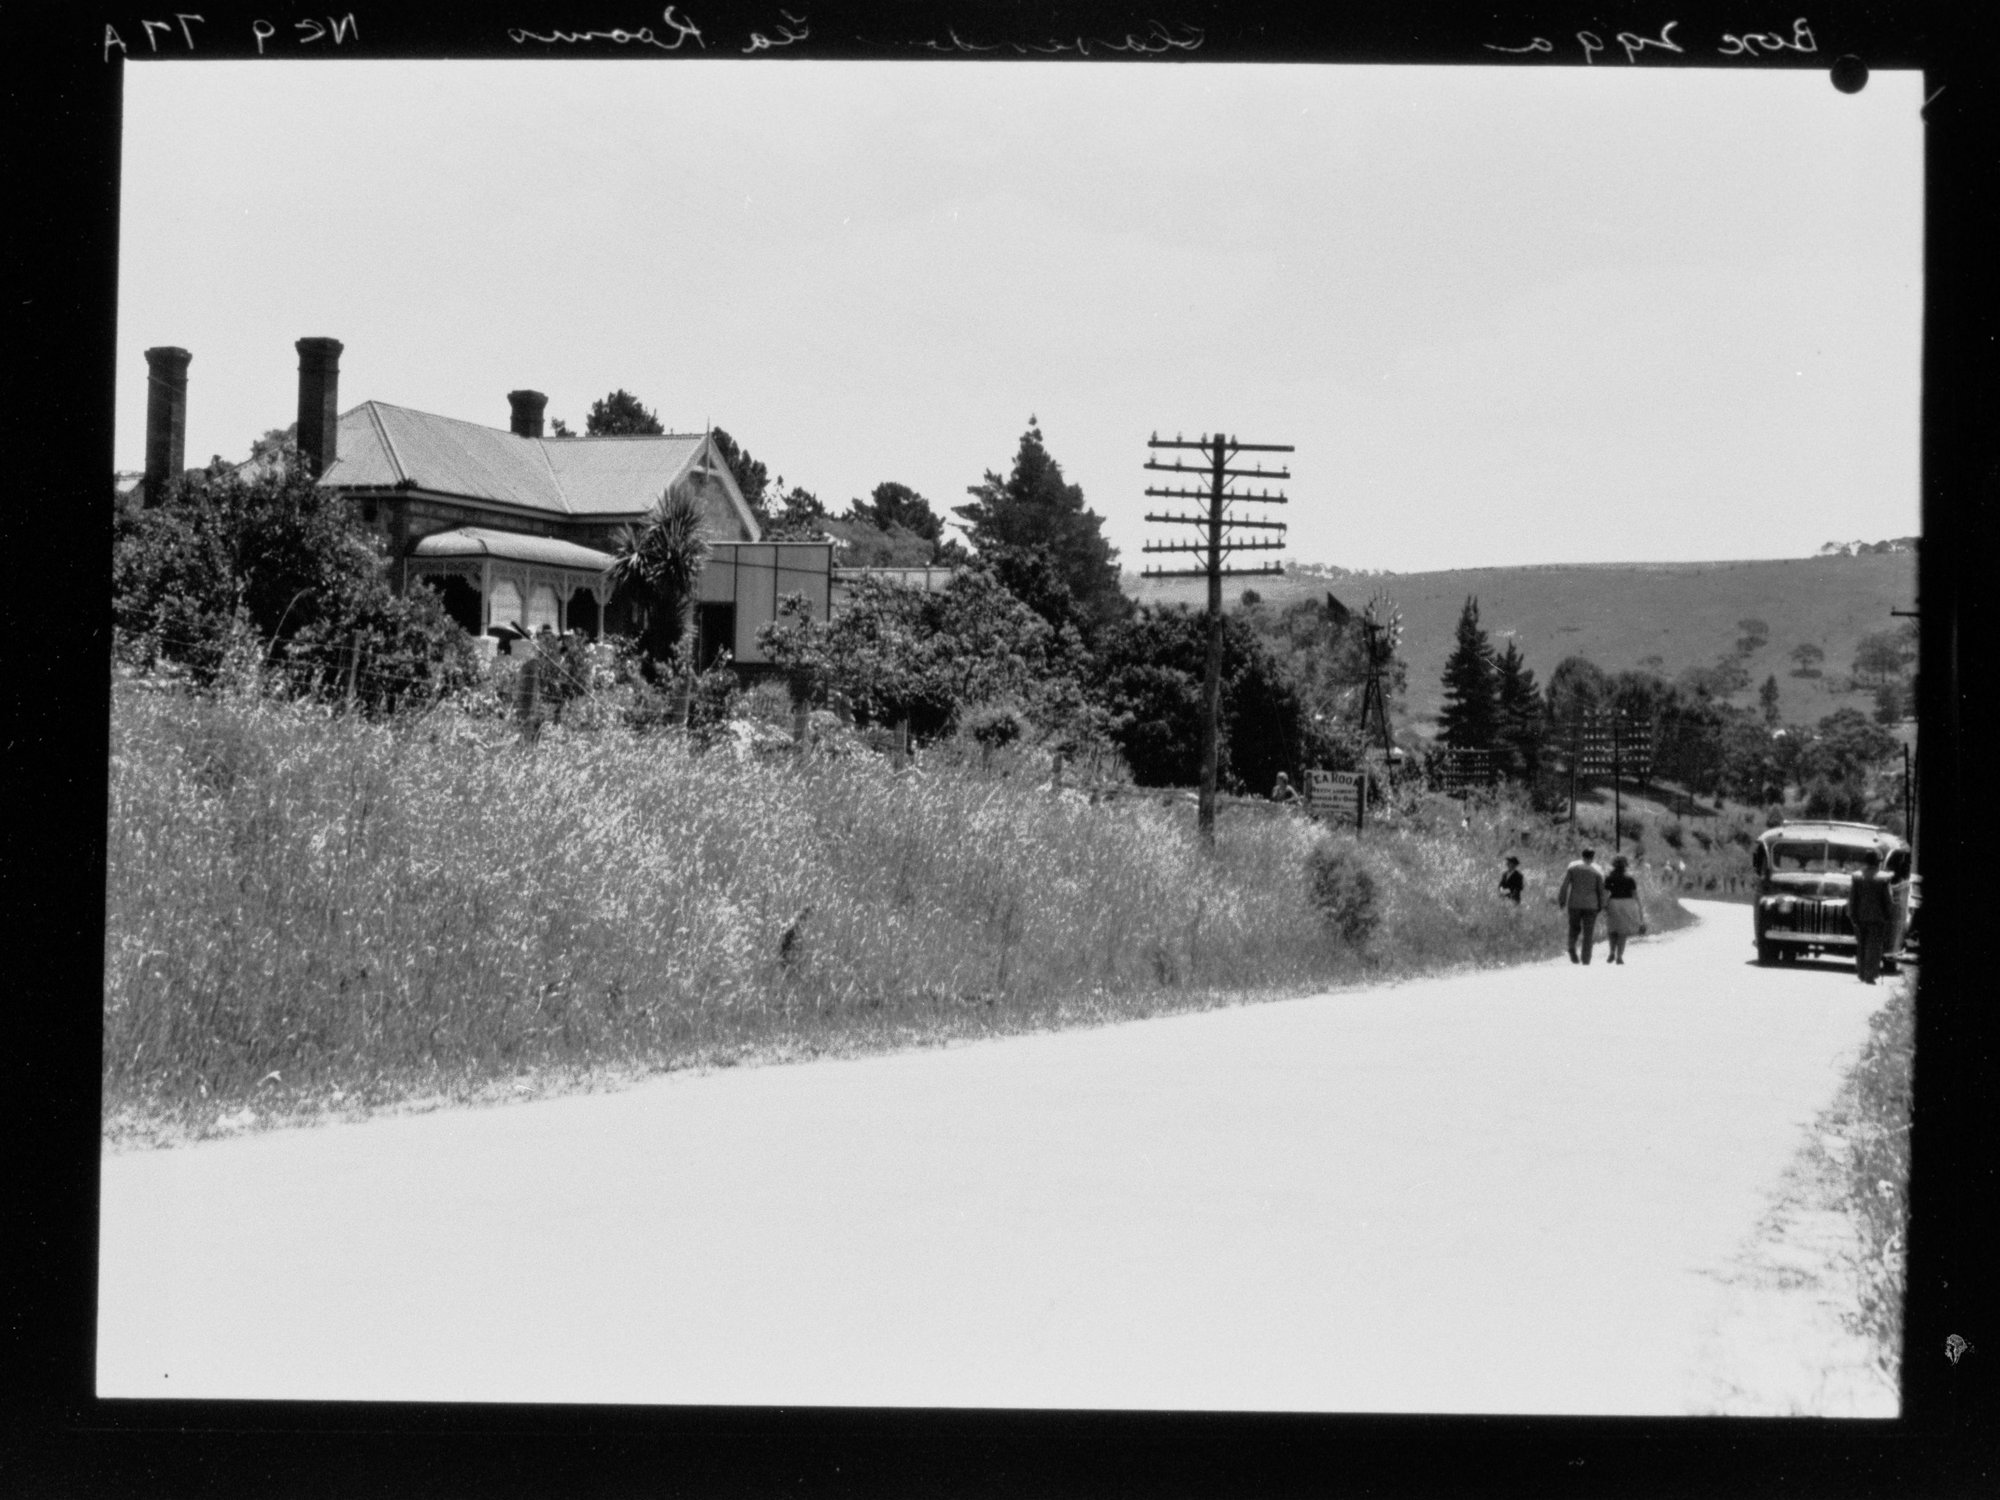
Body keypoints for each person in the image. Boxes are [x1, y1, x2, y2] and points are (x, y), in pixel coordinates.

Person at [1555, 845, 1607, 965]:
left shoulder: (1573, 867)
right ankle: (1586, 960)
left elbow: (1565, 885)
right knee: (1588, 933)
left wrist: (1562, 900)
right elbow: (1601, 890)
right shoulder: (1597, 870)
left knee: (1574, 928)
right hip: (1591, 905)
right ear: (1593, 857)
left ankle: (1571, 946)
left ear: (1582, 855)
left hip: (1574, 904)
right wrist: (1602, 905)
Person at [1848, 849, 1894, 985]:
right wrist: (1888, 915)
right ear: (1877, 862)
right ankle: (1870, 975)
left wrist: (1852, 915)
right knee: (1873, 947)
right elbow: (1888, 900)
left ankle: (1861, 973)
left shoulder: (1857, 876)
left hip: (1859, 917)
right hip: (1877, 918)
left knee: (1861, 945)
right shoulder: (1884, 878)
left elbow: (1852, 898)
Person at [1602, 853, 1646, 965]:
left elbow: (1605, 894)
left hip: (1613, 903)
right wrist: (1640, 912)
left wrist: (1604, 906)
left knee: (1612, 929)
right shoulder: (1630, 879)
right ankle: (1619, 956)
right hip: (1627, 904)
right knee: (1623, 932)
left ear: (1614, 865)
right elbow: (1635, 896)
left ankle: (1612, 951)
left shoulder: (1609, 878)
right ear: (1625, 865)